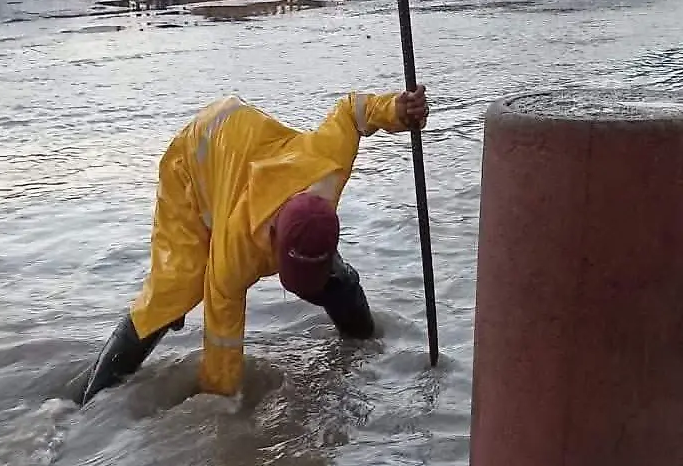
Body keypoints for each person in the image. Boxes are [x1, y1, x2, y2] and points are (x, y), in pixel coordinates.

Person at [71, 86, 430, 406]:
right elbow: (222, 345)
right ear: (273, 240)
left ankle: (364, 345)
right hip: (192, 163)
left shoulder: (326, 165)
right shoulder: (235, 253)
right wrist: (220, 409)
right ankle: (92, 400)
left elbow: (353, 111)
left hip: (248, 147)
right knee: (175, 290)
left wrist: (397, 110)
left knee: (336, 280)